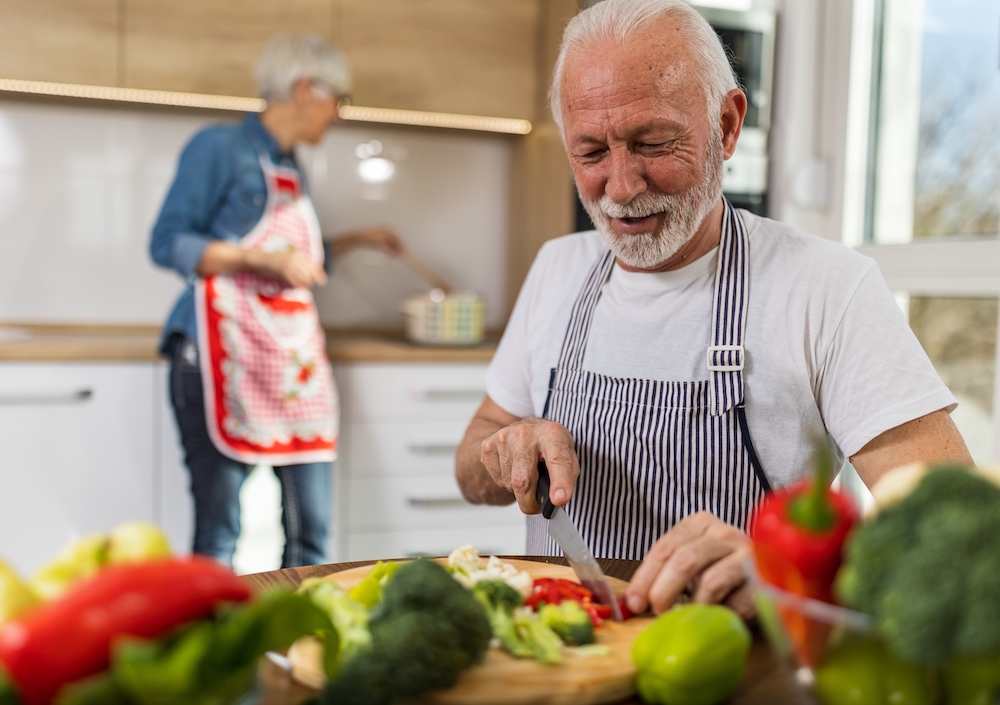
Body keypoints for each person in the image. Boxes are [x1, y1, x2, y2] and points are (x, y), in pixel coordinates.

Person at [455, 0, 972, 618]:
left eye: (653, 143)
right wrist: (506, 449)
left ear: (727, 125)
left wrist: (792, 568)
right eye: (590, 153)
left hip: (743, 666)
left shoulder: (827, 287)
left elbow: (960, 538)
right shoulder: (557, 269)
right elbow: (470, 466)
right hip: (570, 660)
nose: (620, 187)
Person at [150, 34, 403, 568]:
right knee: (220, 536)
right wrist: (264, 261)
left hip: (287, 364)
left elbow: (298, 262)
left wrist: (358, 239)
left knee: (312, 534)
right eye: (339, 99)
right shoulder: (219, 148)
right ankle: (219, 650)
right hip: (217, 355)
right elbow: (168, 242)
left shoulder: (292, 166)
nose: (337, 115)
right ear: (306, 89)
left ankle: (297, 647)